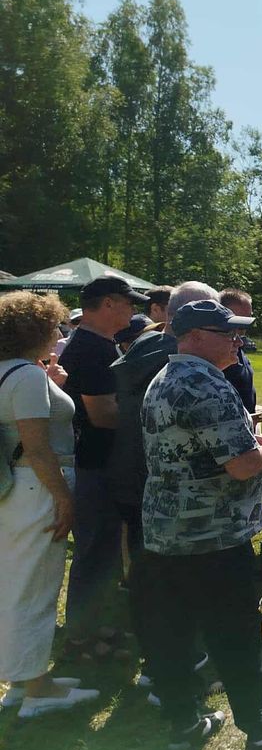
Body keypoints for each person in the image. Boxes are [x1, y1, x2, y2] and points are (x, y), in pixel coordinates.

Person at [138, 299, 262, 750]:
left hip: (165, 534)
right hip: (213, 537)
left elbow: (197, 450)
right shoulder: (206, 384)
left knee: (174, 636)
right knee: (235, 639)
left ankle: (184, 722)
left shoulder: (162, 380)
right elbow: (241, 467)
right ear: (196, 336)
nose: (237, 342)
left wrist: (248, 444)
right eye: (229, 333)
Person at [109, 281, 220, 692]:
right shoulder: (174, 358)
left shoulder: (140, 348)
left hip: (131, 475)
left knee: (147, 578)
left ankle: (157, 666)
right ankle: (176, 673)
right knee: (174, 584)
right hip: (162, 482)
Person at [0, 292, 100, 718]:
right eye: (54, 327)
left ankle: (25, 679)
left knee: (21, 581)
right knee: (36, 586)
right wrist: (63, 498)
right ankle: (36, 688)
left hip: (18, 487)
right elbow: (38, 449)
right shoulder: (23, 376)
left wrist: (50, 386)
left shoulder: (15, 373)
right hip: (36, 485)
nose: (59, 335)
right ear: (35, 331)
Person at [58, 275, 148, 661]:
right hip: (94, 465)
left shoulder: (97, 343)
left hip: (99, 463)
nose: (133, 311)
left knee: (106, 549)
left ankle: (96, 626)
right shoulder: (93, 348)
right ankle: (80, 640)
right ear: (109, 304)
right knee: (94, 551)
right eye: (128, 303)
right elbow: (102, 414)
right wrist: (148, 417)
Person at [219, 288, 257, 413]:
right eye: (239, 319)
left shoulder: (238, 347)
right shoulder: (217, 355)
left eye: (248, 317)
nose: (244, 326)